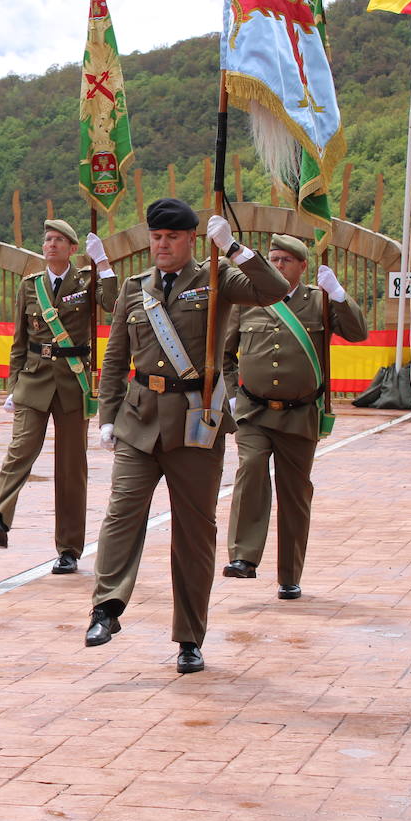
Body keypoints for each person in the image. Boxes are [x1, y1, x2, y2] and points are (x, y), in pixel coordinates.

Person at [86, 199, 289, 674]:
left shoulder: (217, 280)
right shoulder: (135, 291)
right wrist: (107, 417)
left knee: (194, 535)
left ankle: (190, 637)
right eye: (156, 236)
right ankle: (106, 608)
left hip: (197, 423)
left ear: (192, 240)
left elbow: (274, 290)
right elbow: (116, 358)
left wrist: (234, 248)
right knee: (122, 514)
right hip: (140, 420)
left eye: (172, 237)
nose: (162, 244)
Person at [221, 234, 368, 599]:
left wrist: (337, 294)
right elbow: (225, 354)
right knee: (250, 468)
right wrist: (232, 397)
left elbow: (357, 332)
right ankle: (243, 557)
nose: (278, 265)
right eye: (273, 259)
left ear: (303, 266)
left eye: (286, 259)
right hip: (253, 411)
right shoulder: (247, 300)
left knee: (295, 493)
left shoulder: (317, 303)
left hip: (300, 414)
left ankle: (289, 574)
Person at [0, 220, 118, 572]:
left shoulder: (86, 282)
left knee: (71, 468)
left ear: (72, 248)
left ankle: (69, 549)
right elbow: (19, 342)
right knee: (19, 453)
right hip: (34, 379)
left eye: (59, 241)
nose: (51, 245)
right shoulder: (30, 286)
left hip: (73, 382)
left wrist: (103, 264)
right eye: (47, 240)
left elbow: (113, 303)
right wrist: (13, 387)